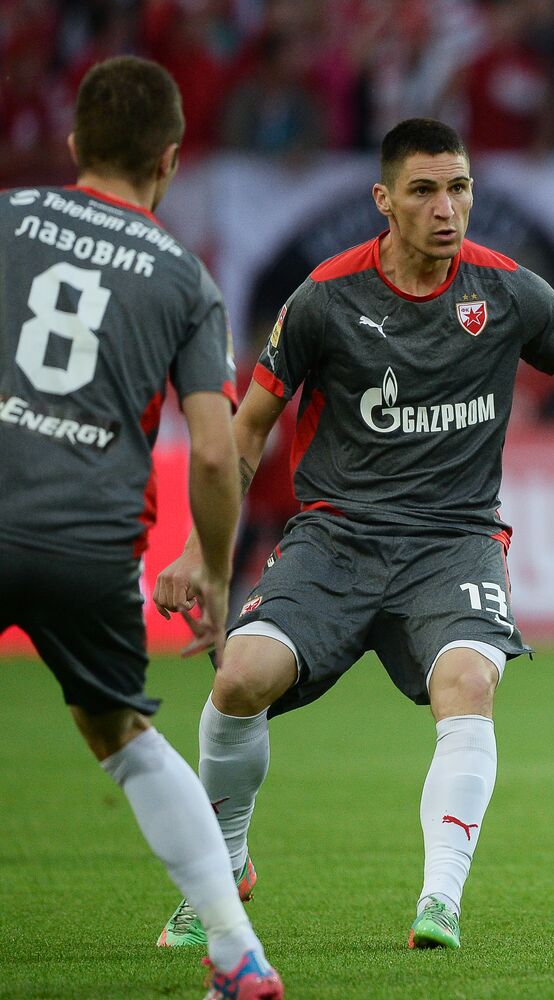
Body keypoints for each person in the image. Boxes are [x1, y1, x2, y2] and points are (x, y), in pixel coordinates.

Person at [153, 117, 554, 951]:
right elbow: (246, 433)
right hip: (334, 539)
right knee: (239, 678)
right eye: (423, 190)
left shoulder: (506, 291)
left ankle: (440, 900)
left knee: (469, 685)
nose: (445, 207)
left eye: (457, 187)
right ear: (383, 199)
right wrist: (200, 553)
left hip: (453, 542)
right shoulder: (323, 299)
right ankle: (224, 867)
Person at [0, 57, 283, 999]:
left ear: (74, 145)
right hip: (86, 543)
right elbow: (212, 451)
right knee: (120, 734)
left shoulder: (5, 220)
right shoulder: (184, 279)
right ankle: (237, 951)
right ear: (171, 158)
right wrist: (210, 570)